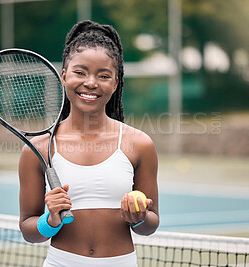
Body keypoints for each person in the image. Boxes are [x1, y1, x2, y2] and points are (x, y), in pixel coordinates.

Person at [18, 20, 159, 267]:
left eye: (103, 75)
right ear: (63, 76)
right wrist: (49, 221)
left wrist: (138, 218)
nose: (91, 83)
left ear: (115, 83)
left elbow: (150, 225)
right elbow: (29, 230)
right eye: (80, 72)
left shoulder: (139, 144)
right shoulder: (39, 149)